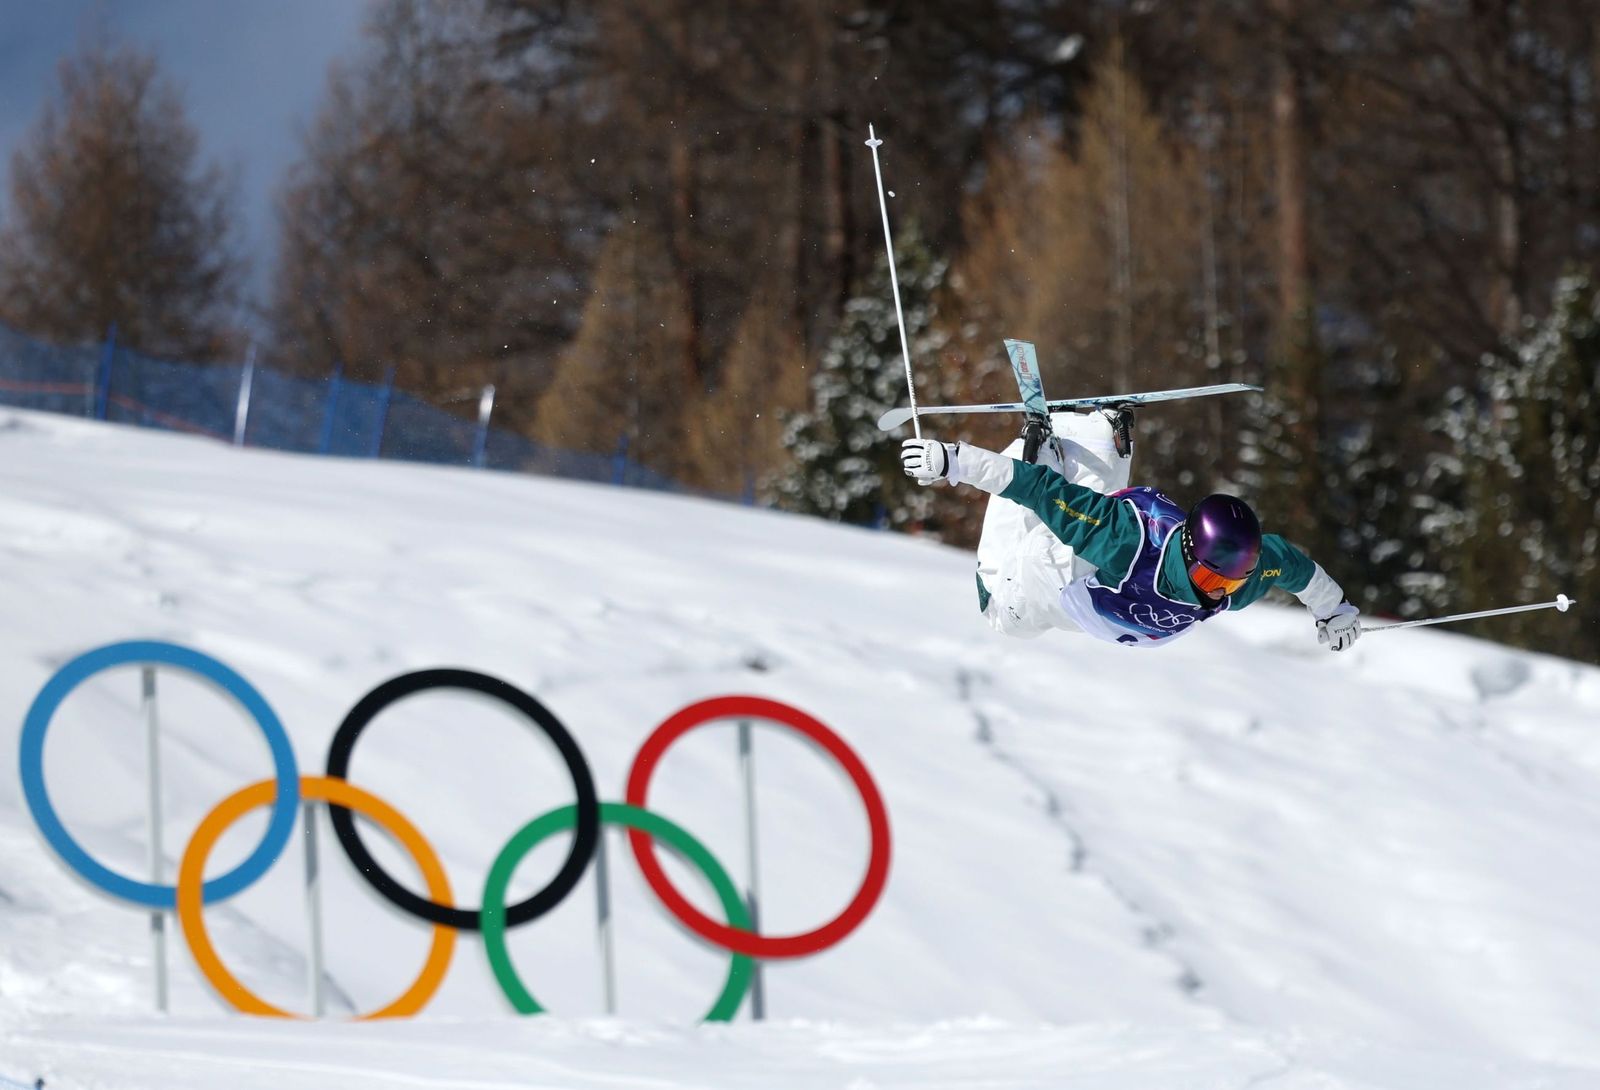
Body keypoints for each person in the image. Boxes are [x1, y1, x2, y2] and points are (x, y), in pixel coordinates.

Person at [899, 410, 1361, 651]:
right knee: (998, 609)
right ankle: (1038, 446)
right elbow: (1037, 491)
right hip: (1050, 581)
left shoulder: (1235, 576)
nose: (1215, 596)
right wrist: (952, 460)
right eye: (1209, 581)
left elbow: (1293, 567)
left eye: (1228, 585)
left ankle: (1100, 436)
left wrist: (1333, 608)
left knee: (1081, 519)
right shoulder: (1123, 538)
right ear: (1187, 549)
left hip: (1102, 564)